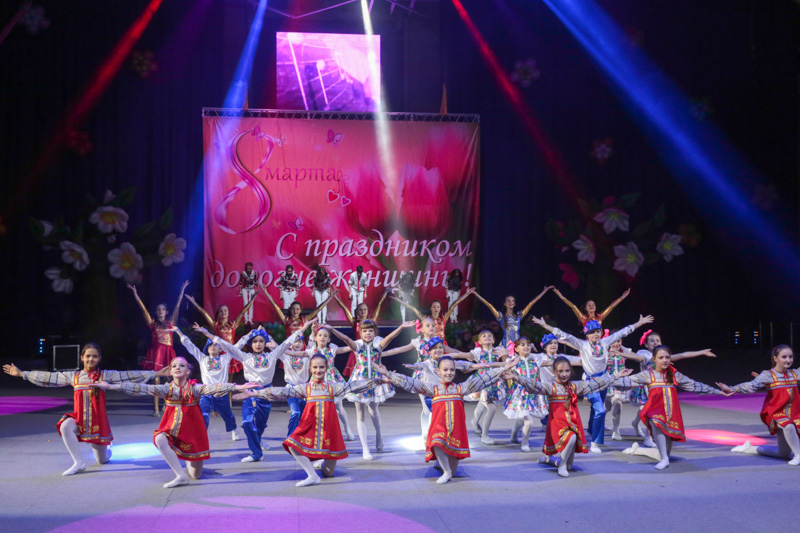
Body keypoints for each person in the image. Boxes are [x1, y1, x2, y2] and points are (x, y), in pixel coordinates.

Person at [89, 357, 255, 488]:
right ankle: (180, 476)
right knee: (159, 438)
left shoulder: (194, 388)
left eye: (182, 365)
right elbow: (142, 388)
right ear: (170, 371)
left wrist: (237, 387)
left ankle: (189, 463)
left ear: (188, 371)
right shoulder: (166, 389)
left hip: (192, 436)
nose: (177, 368)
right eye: (174, 365)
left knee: (196, 475)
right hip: (171, 432)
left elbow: (214, 387)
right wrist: (111, 387)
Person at [3, 344, 162, 476]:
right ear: (82, 358)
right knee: (65, 426)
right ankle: (78, 463)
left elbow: (128, 375)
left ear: (99, 358)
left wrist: (156, 372)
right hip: (79, 418)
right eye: (88, 356)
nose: (91, 359)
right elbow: (50, 377)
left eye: (94, 356)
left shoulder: (105, 375)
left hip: (97, 423)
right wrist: (22, 374)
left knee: (102, 460)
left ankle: (108, 449)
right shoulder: (74, 376)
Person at [234, 354, 383, 487]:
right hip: (311, 428)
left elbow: (354, 385)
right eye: (315, 367)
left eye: (321, 367)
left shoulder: (332, 387)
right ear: (310, 369)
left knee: (329, 473)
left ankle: (322, 462)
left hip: (329, 432)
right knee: (292, 444)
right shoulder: (305, 388)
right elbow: (282, 392)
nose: (318, 370)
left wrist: (380, 380)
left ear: (326, 368)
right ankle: (312, 476)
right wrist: (254, 394)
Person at [373, 355, 519, 484]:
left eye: (452, 370)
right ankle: (446, 471)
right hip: (439, 428)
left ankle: (443, 465)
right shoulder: (433, 389)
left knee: (453, 469)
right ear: (438, 371)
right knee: (437, 443)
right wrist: (388, 374)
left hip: (456, 431)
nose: (449, 373)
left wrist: (504, 368)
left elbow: (482, 379)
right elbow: (412, 383)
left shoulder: (461, 388)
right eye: (445, 370)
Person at [532, 314, 654, 452]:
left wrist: (639, 323)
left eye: (597, 331)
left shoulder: (605, 342)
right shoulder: (582, 345)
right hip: (590, 383)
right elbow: (563, 334)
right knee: (600, 410)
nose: (595, 334)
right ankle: (595, 443)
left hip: (605, 380)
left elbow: (623, 332)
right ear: (587, 334)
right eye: (591, 332)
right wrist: (544, 325)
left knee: (595, 409)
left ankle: (591, 430)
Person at [612, 345, 731, 470]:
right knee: (656, 424)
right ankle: (664, 458)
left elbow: (694, 385)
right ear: (654, 359)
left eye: (667, 357)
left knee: (667, 440)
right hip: (654, 409)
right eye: (661, 358)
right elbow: (624, 383)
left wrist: (718, 392)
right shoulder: (648, 375)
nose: (664, 360)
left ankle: (647, 452)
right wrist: (615, 377)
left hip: (670, 411)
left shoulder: (674, 374)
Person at [513, 356, 633, 477]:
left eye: (567, 371)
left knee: (570, 465)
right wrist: (517, 378)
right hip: (558, 424)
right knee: (571, 437)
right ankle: (561, 464)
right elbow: (535, 385)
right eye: (560, 371)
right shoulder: (551, 387)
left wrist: (616, 376)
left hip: (572, 423)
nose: (564, 374)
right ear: (554, 372)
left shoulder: (575, 386)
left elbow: (596, 384)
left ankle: (550, 460)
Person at [204, 325, 306, 463]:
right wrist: (207, 334)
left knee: (259, 427)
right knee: (247, 422)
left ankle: (258, 443)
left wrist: (306, 326)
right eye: (255, 341)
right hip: (250, 393)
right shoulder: (245, 357)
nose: (258, 344)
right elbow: (227, 346)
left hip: (266, 394)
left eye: (261, 341)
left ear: (265, 343)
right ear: (251, 344)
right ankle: (256, 453)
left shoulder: (272, 355)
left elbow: (288, 342)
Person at [324, 320, 415, 460]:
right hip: (359, 380)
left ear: (375, 332)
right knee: (360, 414)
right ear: (360, 333)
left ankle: (379, 434)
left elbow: (390, 338)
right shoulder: (358, 345)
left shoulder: (378, 343)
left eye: (370, 331)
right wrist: (332, 329)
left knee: (373, 410)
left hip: (375, 380)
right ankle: (365, 449)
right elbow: (346, 339)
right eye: (365, 331)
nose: (368, 333)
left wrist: (401, 327)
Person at [623, 329, 717, 447]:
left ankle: (637, 425)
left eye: (657, 340)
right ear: (646, 344)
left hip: (659, 388)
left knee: (649, 411)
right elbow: (636, 358)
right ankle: (647, 438)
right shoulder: (645, 355)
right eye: (652, 341)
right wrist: (621, 354)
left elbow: (683, 355)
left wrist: (701, 352)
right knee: (649, 411)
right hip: (647, 387)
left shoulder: (663, 356)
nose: (655, 342)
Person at [384, 333, 482, 441]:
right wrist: (413, 366)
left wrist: (478, 365)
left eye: (440, 348)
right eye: (435, 348)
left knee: (443, 414)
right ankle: (428, 434)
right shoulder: (427, 361)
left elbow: (461, 363)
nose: (438, 350)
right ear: (429, 351)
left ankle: (441, 435)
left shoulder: (446, 362)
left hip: (443, 392)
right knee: (429, 411)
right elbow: (420, 365)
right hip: (429, 390)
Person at [721, 344, 800, 465]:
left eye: (790, 357)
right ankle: (798, 455)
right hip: (776, 412)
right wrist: (732, 388)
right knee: (788, 425)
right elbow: (751, 385)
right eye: (784, 357)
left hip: (794, 413)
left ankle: (749, 448)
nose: (788, 360)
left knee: (783, 454)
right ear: (775, 358)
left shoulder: (795, 373)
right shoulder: (768, 375)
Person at [127, 281, 189, 416]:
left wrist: (181, 291)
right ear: (156, 312)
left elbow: (177, 306)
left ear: (166, 312)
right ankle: (155, 409)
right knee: (156, 380)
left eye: (163, 309)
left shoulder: (171, 323)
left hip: (168, 353)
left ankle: (166, 404)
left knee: (170, 380)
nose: (161, 311)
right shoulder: (153, 324)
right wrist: (135, 294)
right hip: (156, 354)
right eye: (158, 309)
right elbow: (143, 309)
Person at [171, 326, 243, 441]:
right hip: (206, 393)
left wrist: (248, 336)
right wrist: (178, 331)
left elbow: (237, 347)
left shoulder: (225, 358)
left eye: (215, 345)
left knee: (227, 415)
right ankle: (202, 435)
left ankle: (234, 429)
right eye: (210, 346)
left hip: (221, 392)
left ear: (220, 349)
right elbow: (190, 346)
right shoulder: (203, 359)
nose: (212, 347)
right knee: (203, 414)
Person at [285, 325, 355, 440]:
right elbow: (295, 353)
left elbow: (349, 347)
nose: (322, 337)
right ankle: (322, 433)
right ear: (316, 338)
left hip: (331, 382)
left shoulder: (332, 350)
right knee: (318, 410)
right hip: (317, 383)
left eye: (325, 336)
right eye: (320, 335)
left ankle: (347, 429)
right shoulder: (312, 351)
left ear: (329, 339)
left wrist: (356, 343)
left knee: (339, 407)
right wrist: (279, 349)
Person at [185, 292, 257, 377]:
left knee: (230, 376)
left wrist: (251, 301)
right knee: (220, 374)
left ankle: (229, 386)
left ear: (228, 313)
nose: (223, 312)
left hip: (231, 352)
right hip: (219, 353)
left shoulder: (233, 325)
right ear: (218, 314)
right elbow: (204, 313)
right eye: (221, 311)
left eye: (225, 310)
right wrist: (194, 302)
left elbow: (242, 312)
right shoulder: (215, 325)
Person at [332, 288, 391, 377]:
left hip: (370, 349)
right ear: (357, 312)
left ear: (367, 311)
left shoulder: (371, 321)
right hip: (358, 349)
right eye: (361, 310)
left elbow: (379, 305)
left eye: (365, 309)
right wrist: (336, 297)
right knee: (356, 374)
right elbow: (344, 308)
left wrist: (384, 296)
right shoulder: (354, 322)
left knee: (372, 372)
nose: (363, 311)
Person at [503, 337, 547, 452]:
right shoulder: (513, 361)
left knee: (523, 416)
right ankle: (525, 443)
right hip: (520, 395)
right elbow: (502, 367)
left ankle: (514, 432)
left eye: (528, 344)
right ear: (516, 349)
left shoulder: (536, 360)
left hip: (533, 393)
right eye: (522, 345)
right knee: (528, 421)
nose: (526, 346)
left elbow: (550, 362)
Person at [472, 287, 551, 346]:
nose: (511, 302)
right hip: (506, 344)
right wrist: (475, 294)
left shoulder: (518, 316)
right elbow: (489, 305)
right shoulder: (501, 317)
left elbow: (531, 303)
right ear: (505, 304)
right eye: (508, 301)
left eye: (512, 301)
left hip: (518, 343)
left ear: (514, 304)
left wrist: (544, 291)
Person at [391, 287, 476, 341]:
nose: (436, 309)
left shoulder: (443, 318)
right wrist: (400, 301)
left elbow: (453, 305)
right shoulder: (426, 319)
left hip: (441, 345)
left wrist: (466, 294)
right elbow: (414, 309)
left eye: (438, 307)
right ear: (430, 308)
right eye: (434, 307)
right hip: (429, 344)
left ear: (440, 308)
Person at [260, 281, 336, 337]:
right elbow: (274, 305)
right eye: (293, 309)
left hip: (301, 347)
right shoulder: (286, 319)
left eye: (297, 309)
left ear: (300, 310)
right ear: (290, 310)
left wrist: (330, 297)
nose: (295, 311)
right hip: (289, 347)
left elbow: (319, 309)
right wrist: (265, 292)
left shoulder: (304, 319)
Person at [552, 287, 630, 327]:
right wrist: (561, 296)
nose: (591, 306)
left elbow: (611, 306)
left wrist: (622, 297)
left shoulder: (600, 317)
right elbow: (573, 306)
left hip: (600, 344)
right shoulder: (583, 318)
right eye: (589, 305)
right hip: (588, 345)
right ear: (585, 308)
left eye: (593, 305)